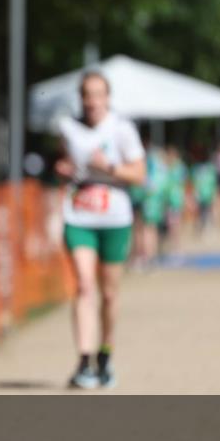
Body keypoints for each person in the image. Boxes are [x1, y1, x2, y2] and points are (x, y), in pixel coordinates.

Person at [54, 72, 146, 389]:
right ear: (81, 98)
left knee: (108, 293)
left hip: (114, 217)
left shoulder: (122, 129)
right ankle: (83, 361)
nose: (92, 101)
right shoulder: (69, 127)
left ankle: (105, 353)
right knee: (84, 285)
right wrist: (64, 168)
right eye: (87, 95)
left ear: (108, 97)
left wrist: (108, 167)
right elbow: (67, 160)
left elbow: (139, 174)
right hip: (79, 214)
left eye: (98, 94)